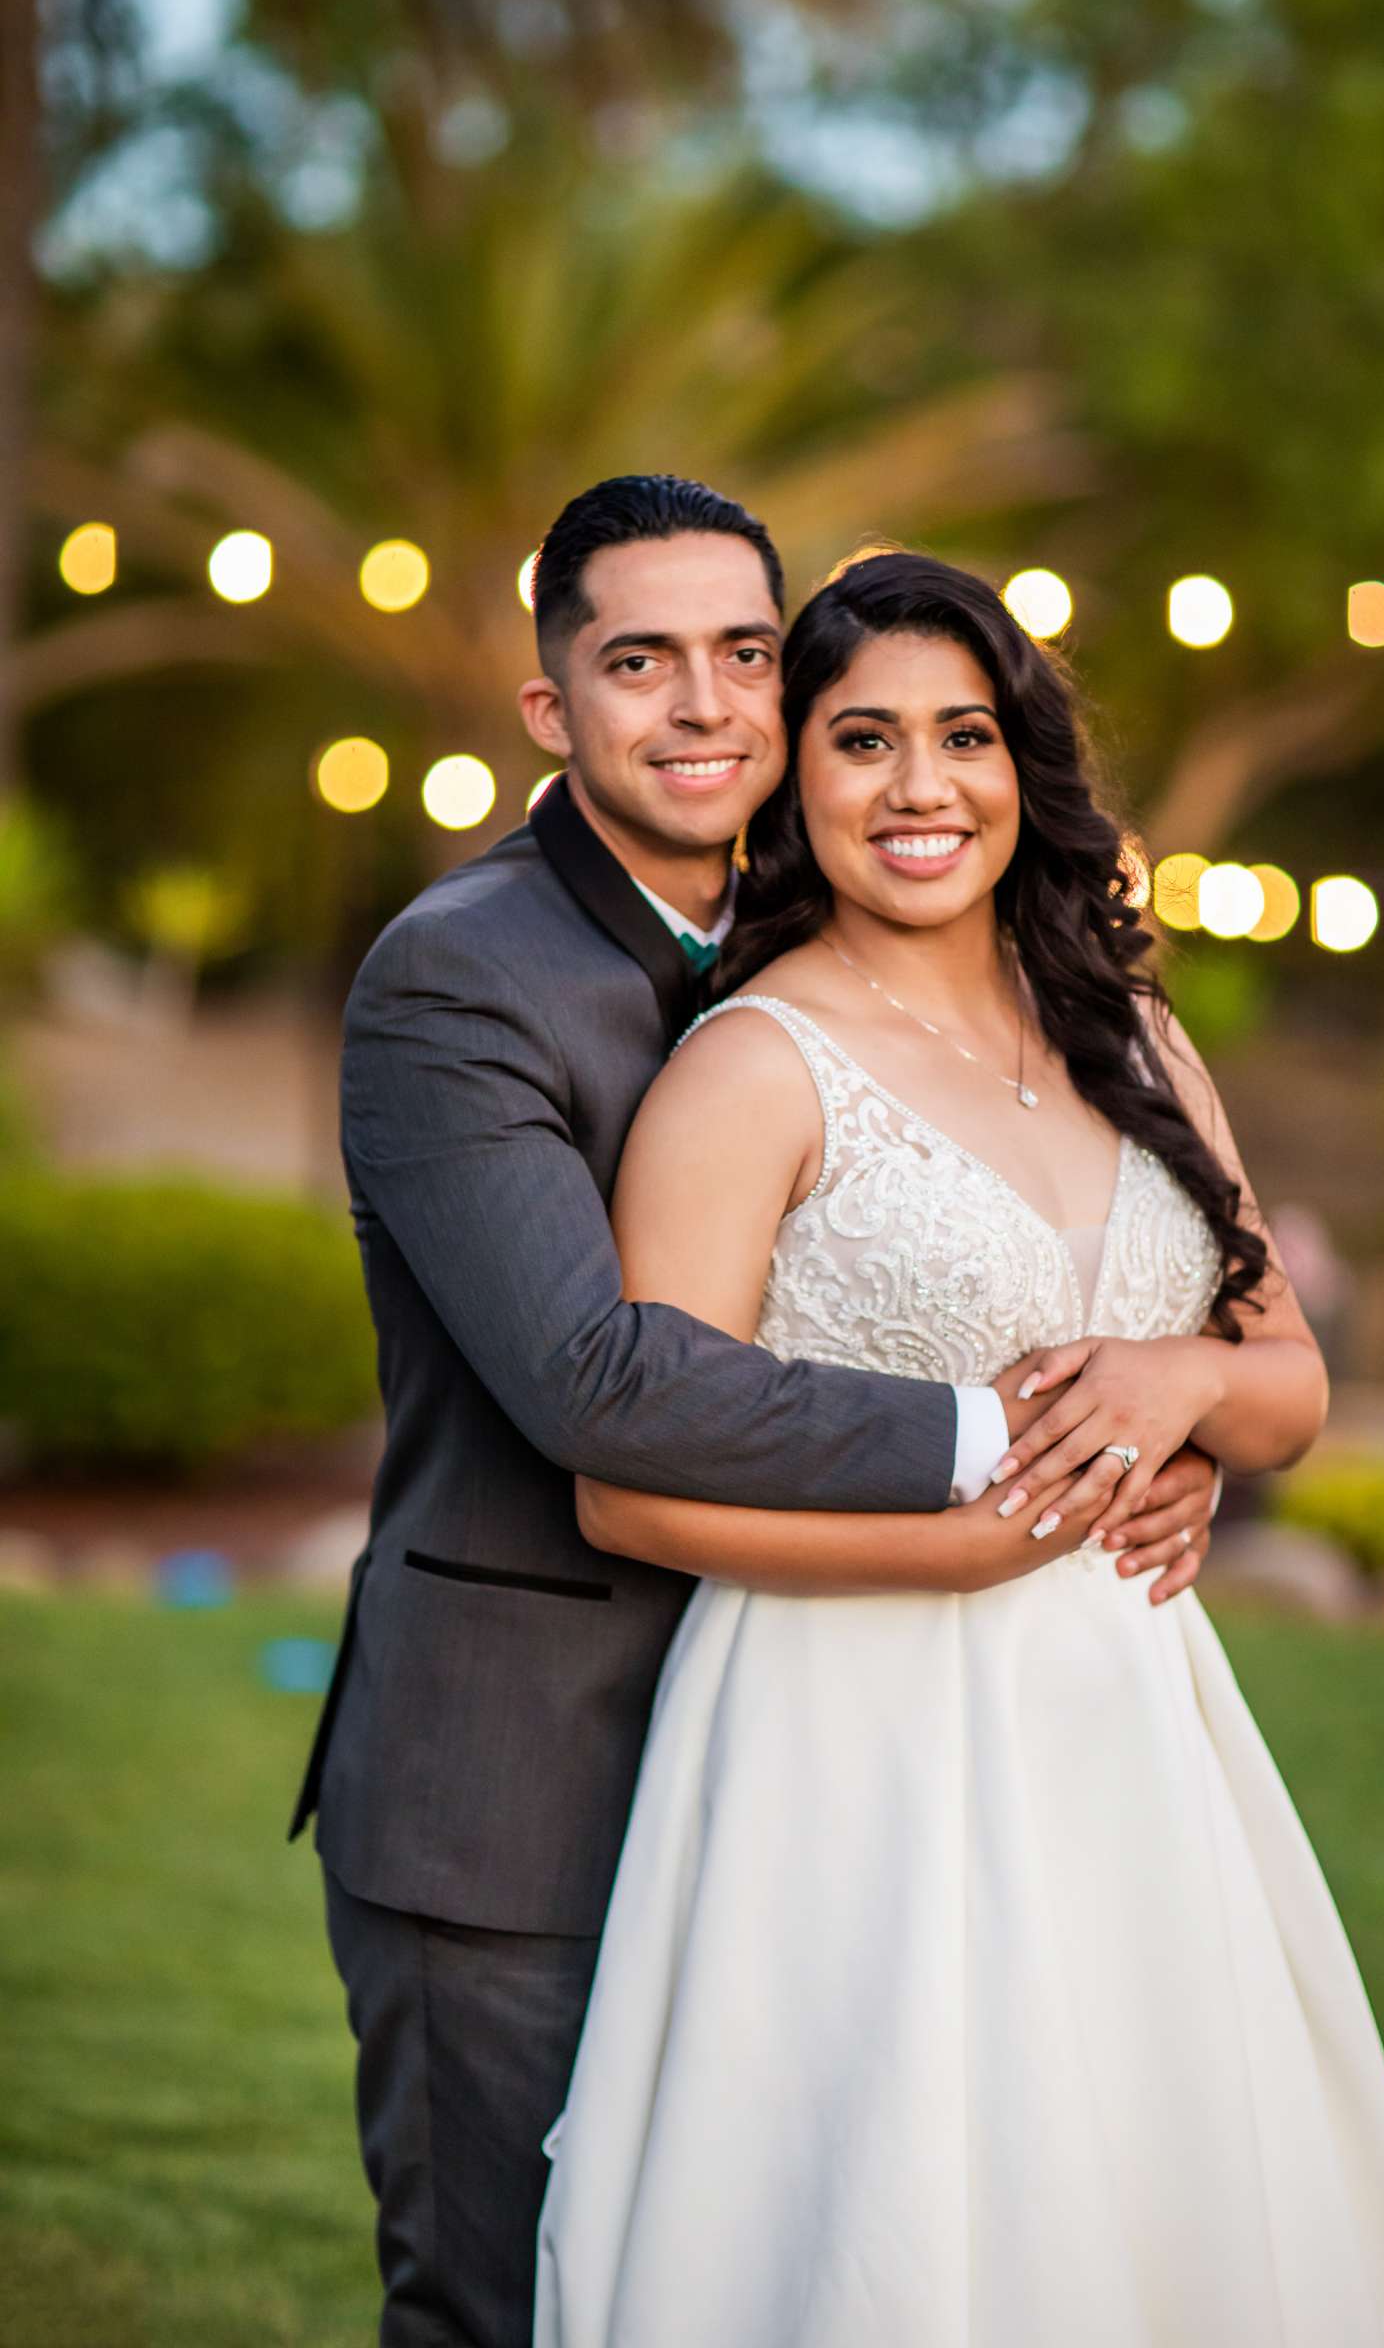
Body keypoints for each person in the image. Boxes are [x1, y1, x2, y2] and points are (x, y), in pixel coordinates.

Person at [289, 478, 1218, 2348]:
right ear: (553, 706)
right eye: (641, 662)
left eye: (741, 657)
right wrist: (1024, 1445)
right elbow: (597, 1382)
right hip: (525, 1789)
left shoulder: (852, 954)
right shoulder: (458, 976)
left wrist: (1175, 1422)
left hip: (824, 1777)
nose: (705, 706)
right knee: (511, 2306)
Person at [533, 551, 1384, 2346]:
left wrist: (1175, 1390)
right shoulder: (749, 1069)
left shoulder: (1133, 1038)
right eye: (863, 740)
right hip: (844, 1730)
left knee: (1149, 2195)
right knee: (890, 2212)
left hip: (1130, 1725)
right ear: (795, 774)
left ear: (1019, 763)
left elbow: (1285, 1382)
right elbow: (628, 1481)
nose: (918, 789)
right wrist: (966, 1553)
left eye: (962, 737)